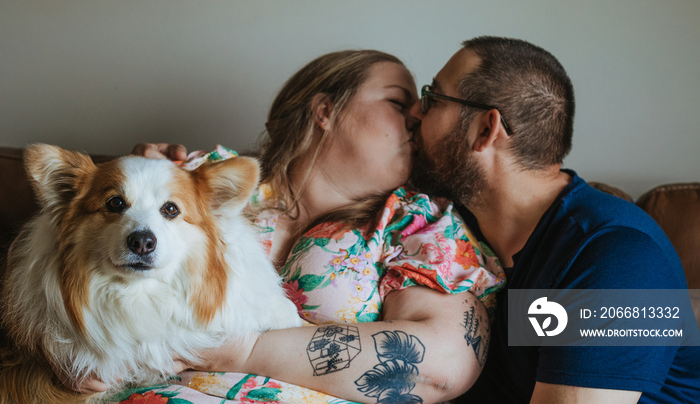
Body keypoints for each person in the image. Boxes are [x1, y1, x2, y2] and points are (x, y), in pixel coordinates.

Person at [79, 49, 505, 404]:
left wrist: (245, 350)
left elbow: (441, 367)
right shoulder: (197, 183)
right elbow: (75, 268)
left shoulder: (418, 225)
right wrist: (75, 358)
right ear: (325, 111)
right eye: (398, 102)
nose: (417, 116)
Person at [408, 36, 700, 403]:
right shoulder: (450, 224)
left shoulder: (616, 256)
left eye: (433, 98)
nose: (415, 113)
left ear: (485, 130)